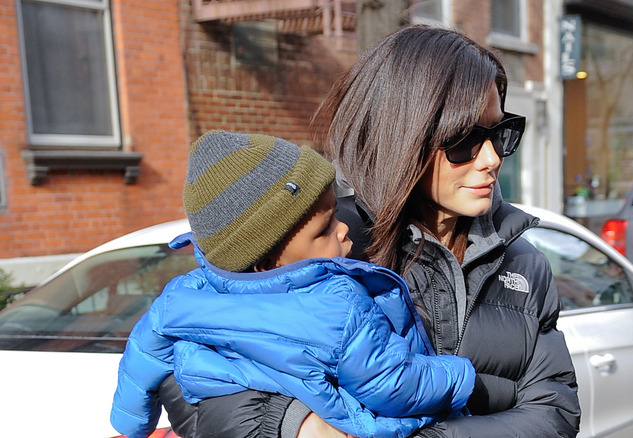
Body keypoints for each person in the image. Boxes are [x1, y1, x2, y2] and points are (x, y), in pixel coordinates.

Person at [159, 24, 581, 438]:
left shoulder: (524, 263)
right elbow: (190, 379)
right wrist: (292, 424)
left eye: (499, 133)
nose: (491, 158)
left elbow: (555, 410)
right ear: (404, 135)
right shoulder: (326, 245)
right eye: (465, 139)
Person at [109, 130, 477, 438]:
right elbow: (390, 386)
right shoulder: (336, 307)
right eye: (325, 229)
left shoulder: (182, 296)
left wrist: (131, 424)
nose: (344, 228)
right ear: (266, 262)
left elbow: (140, 360)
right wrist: (460, 375)